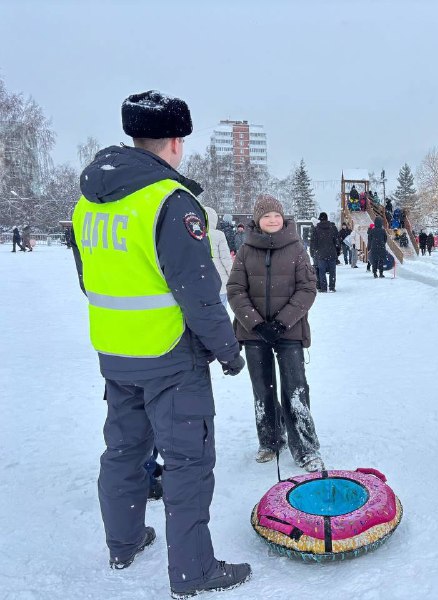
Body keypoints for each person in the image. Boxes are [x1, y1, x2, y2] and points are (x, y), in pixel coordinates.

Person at [70, 90, 251, 596]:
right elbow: (199, 293)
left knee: (124, 451)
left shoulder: (89, 203)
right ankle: (195, 571)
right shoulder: (170, 202)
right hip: (170, 356)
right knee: (189, 461)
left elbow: (89, 281)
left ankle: (124, 542)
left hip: (114, 351)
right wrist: (229, 351)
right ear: (176, 141)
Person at [227, 195, 324, 469]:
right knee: (263, 389)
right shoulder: (246, 251)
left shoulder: (296, 248)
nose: (272, 220)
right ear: (258, 220)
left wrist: (282, 322)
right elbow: (235, 290)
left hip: (289, 330)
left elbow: (307, 288)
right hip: (253, 332)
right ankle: (270, 440)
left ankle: (306, 447)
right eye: (267, 216)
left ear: (283, 219)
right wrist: (255, 323)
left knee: (295, 389)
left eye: (276, 216)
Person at [205, 206, 234, 305]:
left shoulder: (195, 235)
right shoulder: (219, 235)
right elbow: (226, 259)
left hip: (202, 281)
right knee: (221, 311)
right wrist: (233, 277)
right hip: (220, 280)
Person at [310, 212, 340, 292]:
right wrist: (337, 252)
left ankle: (323, 288)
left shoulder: (316, 229)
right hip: (332, 253)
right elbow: (337, 241)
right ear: (327, 218)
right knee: (332, 272)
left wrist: (313, 253)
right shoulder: (333, 227)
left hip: (321, 254)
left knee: (322, 272)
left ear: (320, 219)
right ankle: (332, 287)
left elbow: (314, 242)